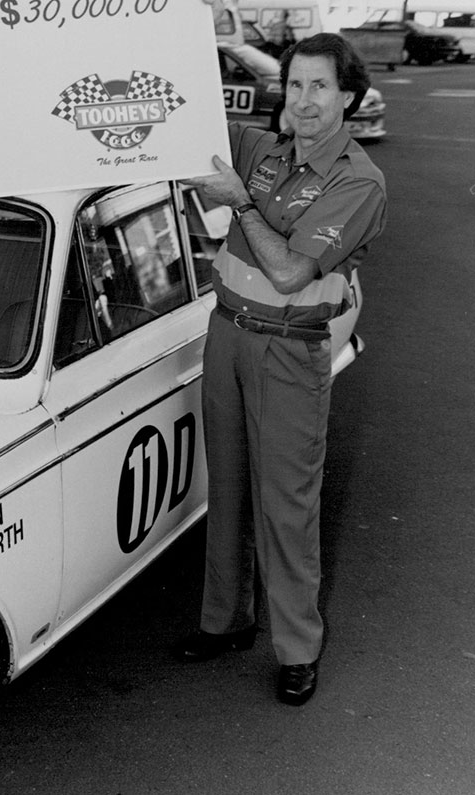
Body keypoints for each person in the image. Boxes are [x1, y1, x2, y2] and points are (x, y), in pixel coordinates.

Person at [177, 33, 386, 706]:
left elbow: (293, 270)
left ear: (349, 96)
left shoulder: (358, 180)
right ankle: (225, 619)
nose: (304, 100)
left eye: (320, 86)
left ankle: (298, 649)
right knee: (228, 489)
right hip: (227, 336)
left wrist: (239, 202)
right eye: (295, 85)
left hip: (289, 350)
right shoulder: (262, 147)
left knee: (287, 506)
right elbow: (181, 123)